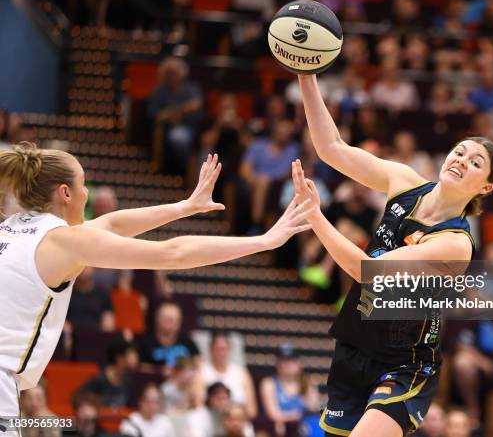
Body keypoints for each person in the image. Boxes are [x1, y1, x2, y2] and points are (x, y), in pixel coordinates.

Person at [0, 145, 313, 435]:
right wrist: (264, 242)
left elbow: (111, 226)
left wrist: (185, 207)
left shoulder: (13, 228)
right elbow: (173, 253)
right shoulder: (62, 240)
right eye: (84, 185)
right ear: (65, 193)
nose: (87, 194)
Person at [293, 74, 493, 437]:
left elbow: (369, 273)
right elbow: (331, 148)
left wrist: (316, 216)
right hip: (355, 345)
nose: (462, 159)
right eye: (460, 152)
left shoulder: (456, 243)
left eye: (475, 162)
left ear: (485, 187)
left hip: (405, 363)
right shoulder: (404, 181)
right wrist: (307, 74)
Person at [202, 332, 258, 419]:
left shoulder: (242, 373)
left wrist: (232, 409)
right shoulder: (201, 372)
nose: (221, 353)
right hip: (211, 422)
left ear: (229, 349)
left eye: (224, 349)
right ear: (210, 350)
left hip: (239, 424)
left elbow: (252, 411)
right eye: (218, 349)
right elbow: (197, 406)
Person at [76, 339, 139, 407]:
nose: (136, 359)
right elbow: (78, 398)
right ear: (120, 358)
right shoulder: (99, 379)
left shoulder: (127, 381)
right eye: (132, 355)